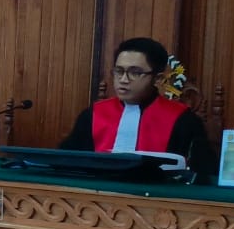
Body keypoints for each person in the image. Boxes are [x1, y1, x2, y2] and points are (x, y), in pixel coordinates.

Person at [60, 37, 211, 173]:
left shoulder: (183, 120)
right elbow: (66, 162)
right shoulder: (92, 115)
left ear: (157, 79)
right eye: (119, 71)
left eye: (135, 73)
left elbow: (204, 171)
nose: (123, 79)